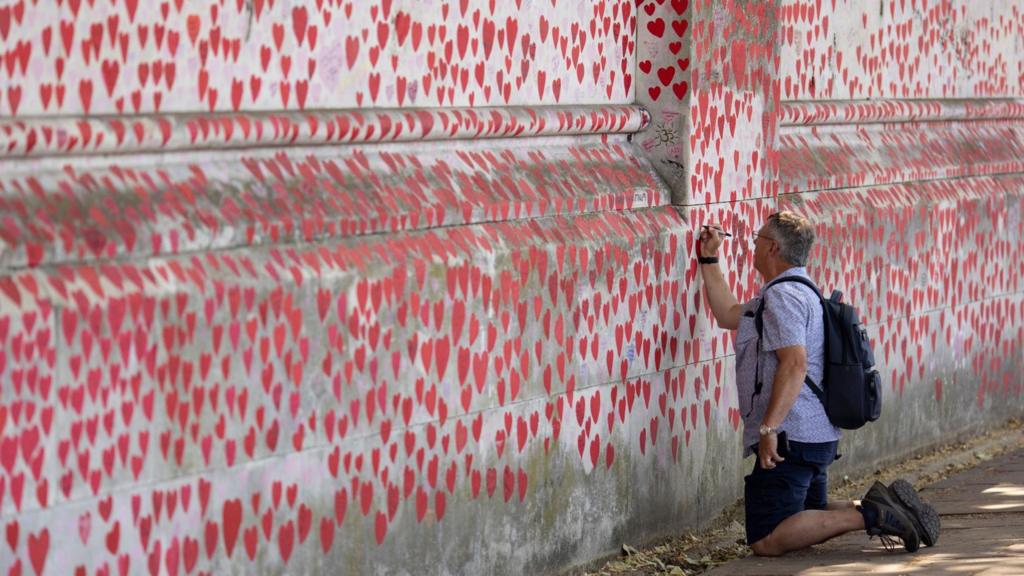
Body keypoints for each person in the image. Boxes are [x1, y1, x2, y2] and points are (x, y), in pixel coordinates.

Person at [697, 211, 941, 556]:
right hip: (814, 434)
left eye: (757, 239)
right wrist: (709, 258)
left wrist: (769, 430)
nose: (752, 244)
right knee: (803, 514)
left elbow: (794, 364)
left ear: (772, 248)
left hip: (792, 436)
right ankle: (887, 506)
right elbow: (727, 314)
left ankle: (874, 514)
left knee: (766, 539)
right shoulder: (794, 292)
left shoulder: (784, 297)